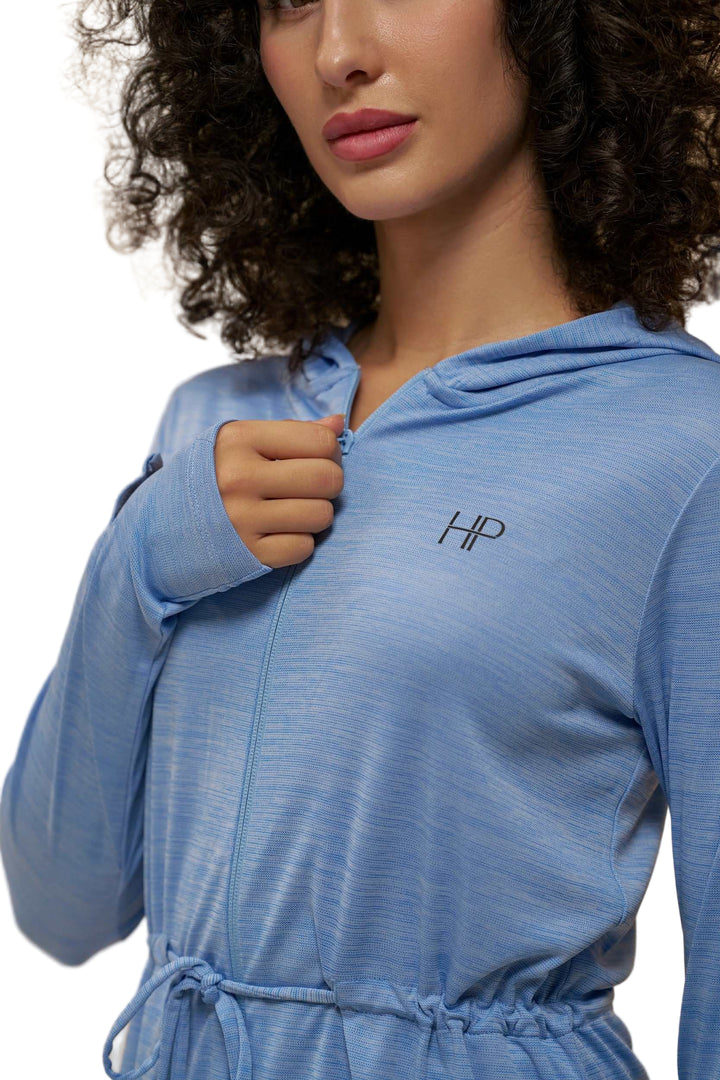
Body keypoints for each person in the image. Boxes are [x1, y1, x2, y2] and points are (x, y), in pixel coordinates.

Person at [2, 1, 720, 1078]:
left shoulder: (684, 447)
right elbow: (60, 904)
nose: (339, 52)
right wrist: (134, 566)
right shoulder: (213, 424)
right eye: (289, 1)